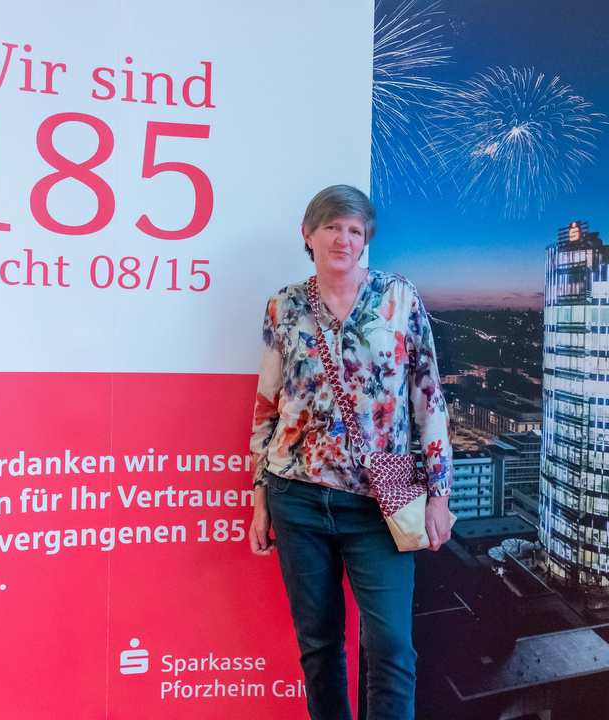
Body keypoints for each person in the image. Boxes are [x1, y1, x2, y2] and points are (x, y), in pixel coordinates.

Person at [249, 185, 453, 720]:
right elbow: (268, 404)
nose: (343, 239)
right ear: (308, 235)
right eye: (332, 227)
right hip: (295, 496)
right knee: (319, 647)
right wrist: (260, 497)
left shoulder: (399, 297)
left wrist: (439, 494)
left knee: (391, 647)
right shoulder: (283, 305)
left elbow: (428, 396)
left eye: (355, 230)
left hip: (378, 503)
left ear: (366, 240)